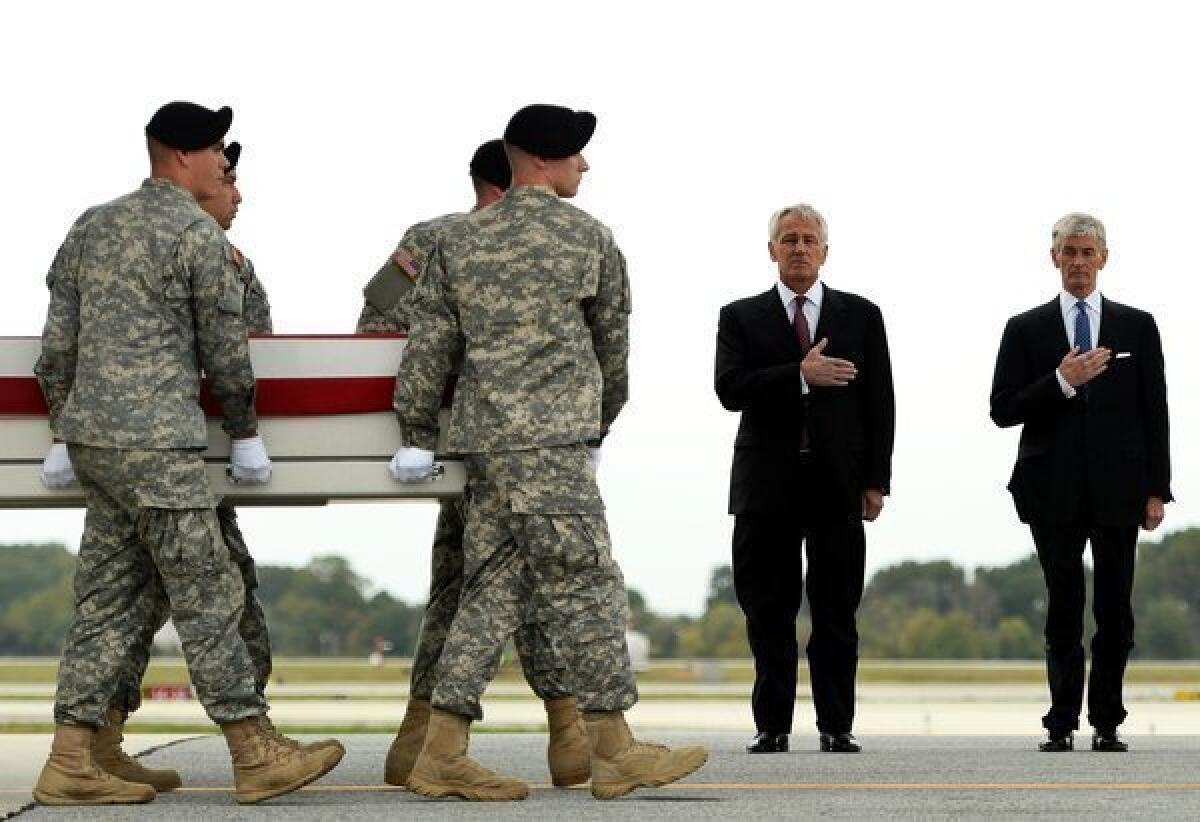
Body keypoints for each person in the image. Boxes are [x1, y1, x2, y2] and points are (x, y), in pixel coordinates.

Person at [389, 103, 708, 801]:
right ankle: (614, 747)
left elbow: (428, 345)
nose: (583, 165)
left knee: (490, 590)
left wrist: (416, 433)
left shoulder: (460, 241)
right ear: (538, 160)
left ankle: (442, 746)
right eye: (574, 154)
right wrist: (596, 429)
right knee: (589, 581)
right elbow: (613, 352)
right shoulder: (587, 237)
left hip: (484, 446)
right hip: (551, 443)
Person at [31, 102, 343, 806]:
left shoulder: (92, 224)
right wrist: (244, 429)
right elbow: (229, 352)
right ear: (181, 158)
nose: (221, 168)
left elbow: (56, 351)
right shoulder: (195, 234)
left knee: (106, 602)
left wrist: (62, 428)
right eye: (213, 155)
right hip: (160, 445)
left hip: (96, 444)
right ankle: (252, 746)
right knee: (207, 592)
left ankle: (73, 757)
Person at [357, 138, 589, 790]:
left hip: (445, 446)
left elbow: (373, 329)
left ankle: (420, 737)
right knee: (521, 571)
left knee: (462, 580)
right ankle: (566, 728)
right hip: (517, 447)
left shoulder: (426, 242)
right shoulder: (545, 244)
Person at [714, 203, 895, 755]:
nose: (798, 247)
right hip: (765, 486)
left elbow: (879, 403)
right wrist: (798, 375)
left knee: (836, 611)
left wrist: (875, 482)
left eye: (808, 239)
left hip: (837, 485)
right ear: (772, 250)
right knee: (768, 611)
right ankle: (772, 725)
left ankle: (837, 725)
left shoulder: (860, 315)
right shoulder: (740, 316)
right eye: (788, 239)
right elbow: (730, 389)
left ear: (824, 250)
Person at [990, 213, 1171, 753]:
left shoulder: (1137, 326)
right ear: (1053, 258)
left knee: (1115, 609)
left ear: (1103, 258)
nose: (1077, 261)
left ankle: (1108, 721)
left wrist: (1157, 488)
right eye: (1068, 251)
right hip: (1052, 489)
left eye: (1087, 252)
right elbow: (1003, 409)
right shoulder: (1026, 329)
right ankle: (1062, 721)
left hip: (1120, 489)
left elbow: (1154, 411)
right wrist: (1061, 383)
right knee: (1063, 607)